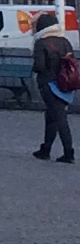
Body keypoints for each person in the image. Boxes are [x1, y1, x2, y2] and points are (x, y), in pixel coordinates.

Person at [31, 20, 76, 163]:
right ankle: (45, 149)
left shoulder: (41, 43)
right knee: (52, 115)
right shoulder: (65, 41)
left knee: (59, 118)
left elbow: (39, 66)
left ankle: (69, 153)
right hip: (65, 83)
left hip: (49, 84)